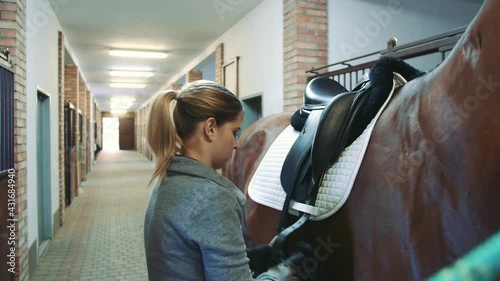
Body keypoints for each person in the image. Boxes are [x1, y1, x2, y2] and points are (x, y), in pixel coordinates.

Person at [143, 80, 301, 281]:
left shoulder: (168, 181)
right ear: (210, 128)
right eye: (234, 131)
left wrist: (252, 257)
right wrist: (287, 271)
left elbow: (189, 256)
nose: (237, 144)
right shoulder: (213, 198)